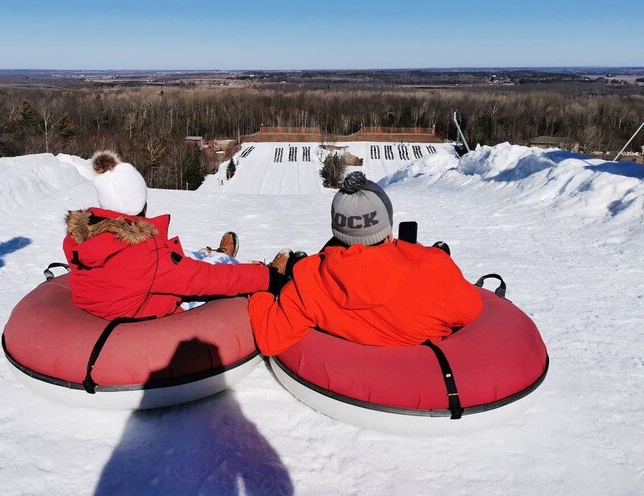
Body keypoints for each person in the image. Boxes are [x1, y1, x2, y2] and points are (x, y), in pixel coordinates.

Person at [248, 171, 482, 356]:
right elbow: (472, 311)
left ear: (337, 230)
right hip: (426, 374)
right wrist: (417, 252)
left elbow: (269, 339)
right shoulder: (436, 269)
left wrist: (267, 286)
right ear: (388, 230)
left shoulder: (309, 278)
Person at [63, 151, 284, 320]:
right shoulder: (144, 253)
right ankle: (236, 261)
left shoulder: (82, 239)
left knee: (182, 256)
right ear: (141, 205)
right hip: (148, 312)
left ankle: (208, 254)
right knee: (212, 270)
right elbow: (205, 279)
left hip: (118, 301)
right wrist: (267, 278)